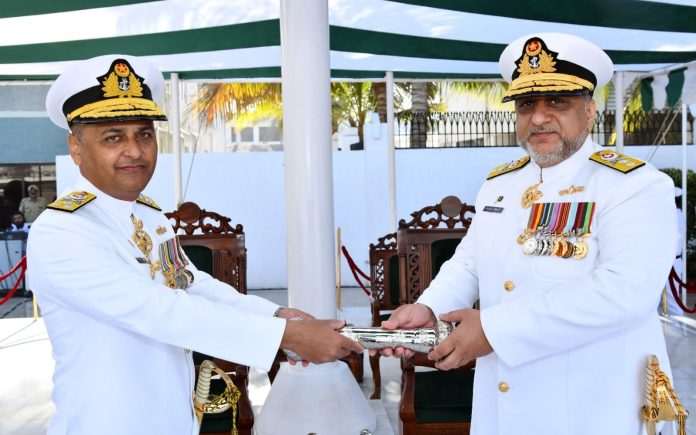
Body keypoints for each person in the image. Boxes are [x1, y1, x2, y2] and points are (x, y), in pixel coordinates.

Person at [28, 54, 362, 435]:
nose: (134, 150)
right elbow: (159, 310)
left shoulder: (149, 216)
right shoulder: (62, 231)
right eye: (113, 137)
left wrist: (276, 316)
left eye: (145, 134)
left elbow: (191, 285)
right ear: (75, 147)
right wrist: (290, 337)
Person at [375, 33, 679, 434]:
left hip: (593, 405)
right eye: (526, 105)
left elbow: (625, 291)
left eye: (557, 102)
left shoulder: (634, 185)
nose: (538, 118)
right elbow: (470, 262)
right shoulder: (500, 185)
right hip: (504, 402)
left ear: (590, 111)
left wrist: (493, 330)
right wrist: (430, 308)